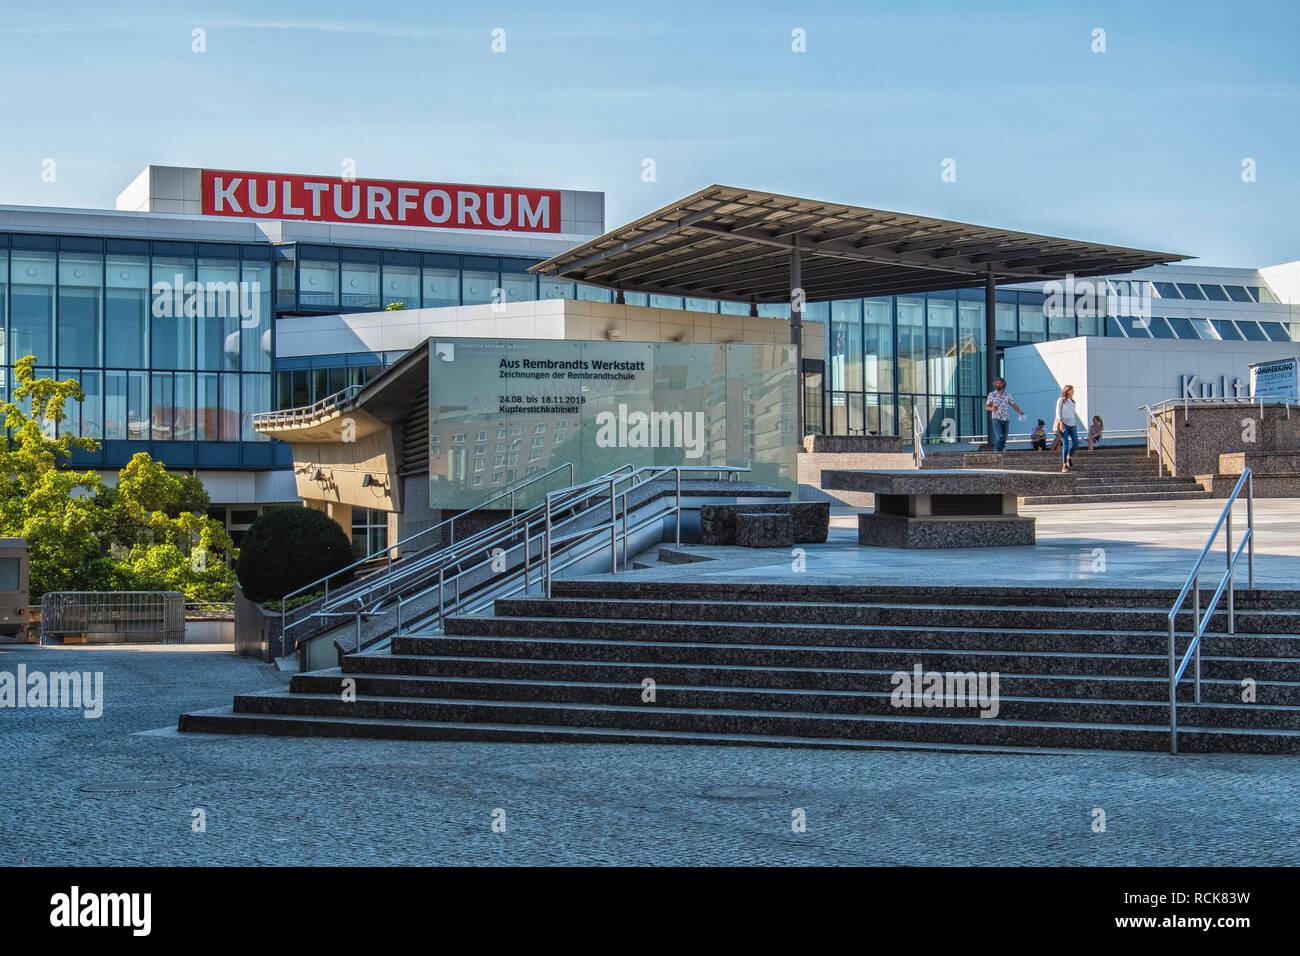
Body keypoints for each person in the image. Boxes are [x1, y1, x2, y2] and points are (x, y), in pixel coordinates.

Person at [984, 377, 1023, 452]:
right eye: (996, 383)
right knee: (999, 436)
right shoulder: (992, 394)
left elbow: (1013, 404)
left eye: (999, 383)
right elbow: (986, 407)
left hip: (1006, 419)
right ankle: (998, 453)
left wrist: (1020, 411)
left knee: (1004, 438)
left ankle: (1002, 449)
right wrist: (992, 409)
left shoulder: (1007, 395)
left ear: (1003, 384)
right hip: (996, 418)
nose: (997, 384)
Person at [1055, 384, 1080, 472]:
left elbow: (1073, 414)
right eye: (1072, 390)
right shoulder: (1061, 400)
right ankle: (1064, 465)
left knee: (1076, 443)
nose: (1073, 392)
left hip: (1072, 424)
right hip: (1064, 424)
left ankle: (1069, 457)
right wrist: (1061, 423)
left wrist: (1075, 424)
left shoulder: (1073, 401)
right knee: (1066, 444)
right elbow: (1058, 412)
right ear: (1067, 391)